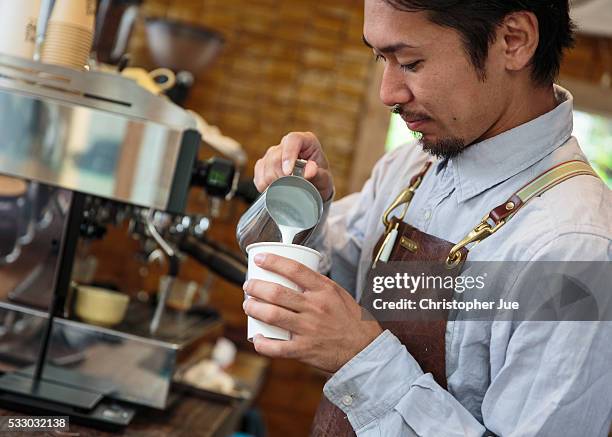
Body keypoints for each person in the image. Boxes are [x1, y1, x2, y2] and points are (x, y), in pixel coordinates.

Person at [242, 0, 612, 435]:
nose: (387, 93)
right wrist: (305, 205)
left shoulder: (577, 249)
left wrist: (363, 360)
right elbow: (328, 285)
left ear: (513, 41)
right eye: (381, 59)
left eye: (411, 62)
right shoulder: (409, 167)